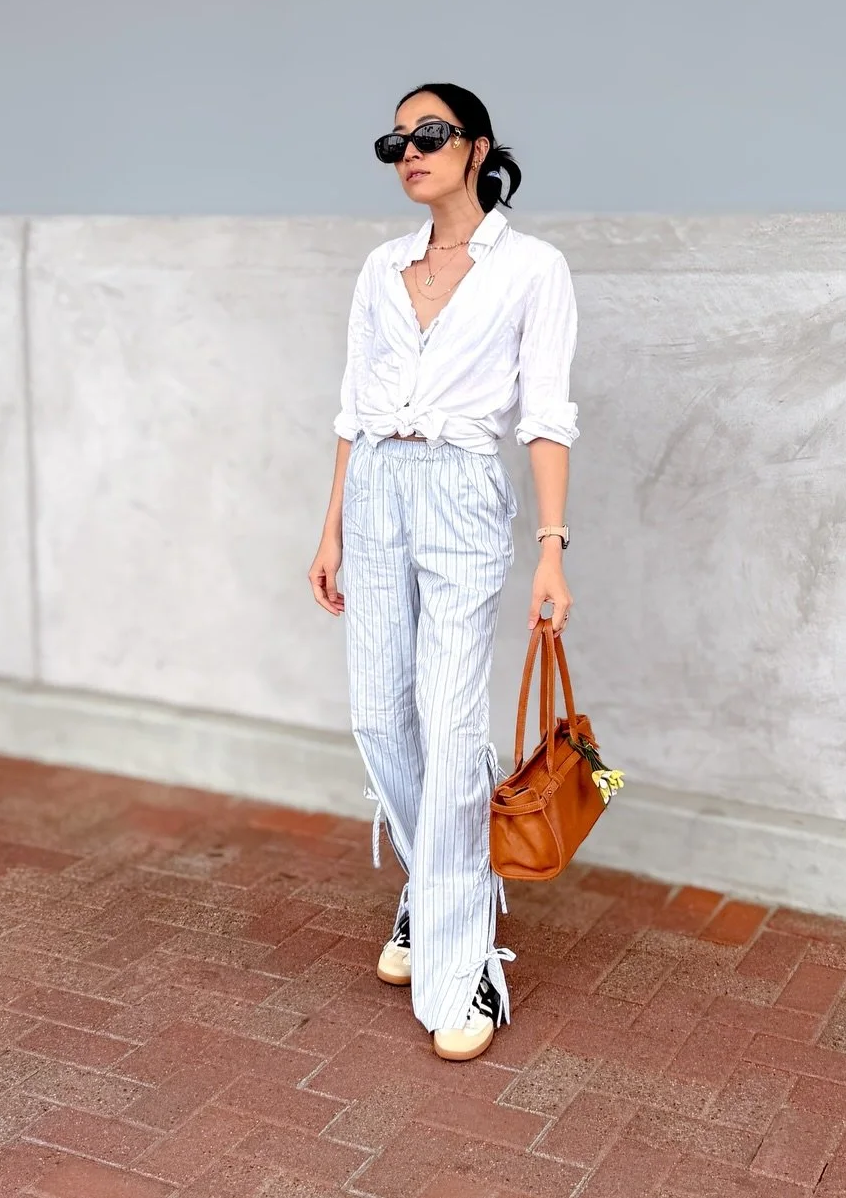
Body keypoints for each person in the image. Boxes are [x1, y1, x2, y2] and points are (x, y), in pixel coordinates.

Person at [308, 82, 580, 1062]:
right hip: (377, 484)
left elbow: (545, 411)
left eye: (430, 135)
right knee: (380, 713)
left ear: (479, 148)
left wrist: (552, 544)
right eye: (396, 139)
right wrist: (333, 526)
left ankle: (464, 963)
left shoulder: (533, 268)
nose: (409, 151)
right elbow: (351, 406)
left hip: (464, 489)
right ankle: (434, 887)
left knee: (457, 724)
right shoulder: (382, 268)